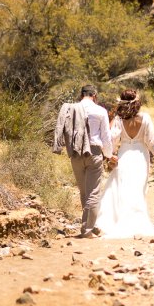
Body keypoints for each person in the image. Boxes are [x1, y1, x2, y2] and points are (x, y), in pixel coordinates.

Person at [95, 89, 154, 239]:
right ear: (137, 102)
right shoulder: (145, 118)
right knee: (138, 188)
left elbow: (112, 140)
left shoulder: (119, 120)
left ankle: (117, 220)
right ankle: (137, 221)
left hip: (125, 155)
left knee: (121, 187)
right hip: (141, 155)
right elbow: (151, 142)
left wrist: (111, 156)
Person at [53, 85, 113, 238]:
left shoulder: (72, 109)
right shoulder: (100, 111)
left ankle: (89, 226)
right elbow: (106, 136)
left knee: (84, 191)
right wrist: (108, 154)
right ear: (95, 95)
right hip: (93, 152)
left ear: (81, 95)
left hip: (76, 152)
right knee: (93, 192)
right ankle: (87, 230)